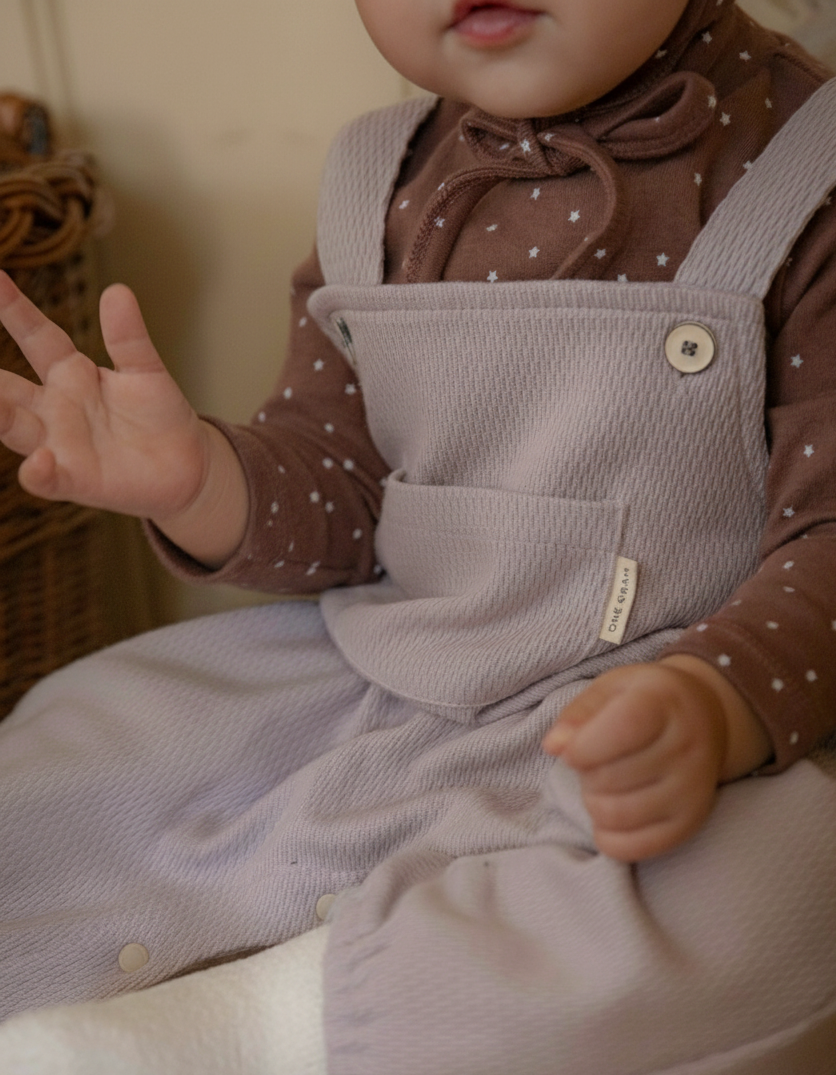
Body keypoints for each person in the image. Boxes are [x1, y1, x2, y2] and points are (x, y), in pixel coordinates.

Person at [0, 0, 834, 1071]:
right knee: (79, 738)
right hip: (384, 666)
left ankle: (273, 1024)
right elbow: (343, 497)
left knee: (767, 894)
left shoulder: (804, 170)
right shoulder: (377, 180)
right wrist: (201, 478)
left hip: (657, 708)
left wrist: (717, 705)